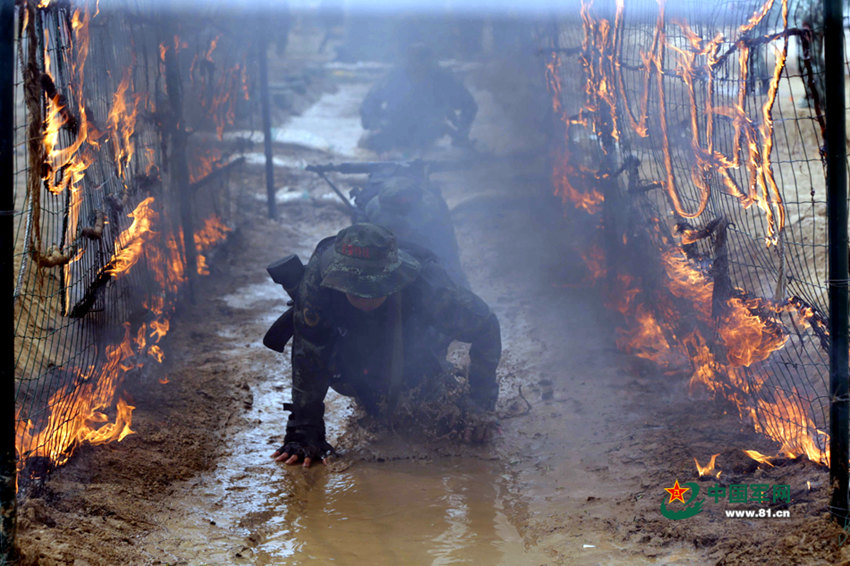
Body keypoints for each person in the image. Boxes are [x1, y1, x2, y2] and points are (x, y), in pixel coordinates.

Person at [271, 223, 501, 468]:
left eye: (373, 288)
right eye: (356, 289)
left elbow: (486, 326)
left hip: (414, 337)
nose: (365, 297)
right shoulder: (318, 282)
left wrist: (480, 406)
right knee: (368, 394)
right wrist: (304, 430)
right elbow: (309, 353)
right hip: (350, 344)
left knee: (427, 395)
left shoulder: (429, 286)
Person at [358, 43, 478, 153]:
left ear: (430, 62)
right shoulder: (394, 77)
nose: (417, 67)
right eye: (413, 62)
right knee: (366, 143)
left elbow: (469, 105)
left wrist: (461, 131)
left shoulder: (444, 79)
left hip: (429, 131)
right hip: (394, 128)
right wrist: (376, 125)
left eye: (421, 62)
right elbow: (368, 104)